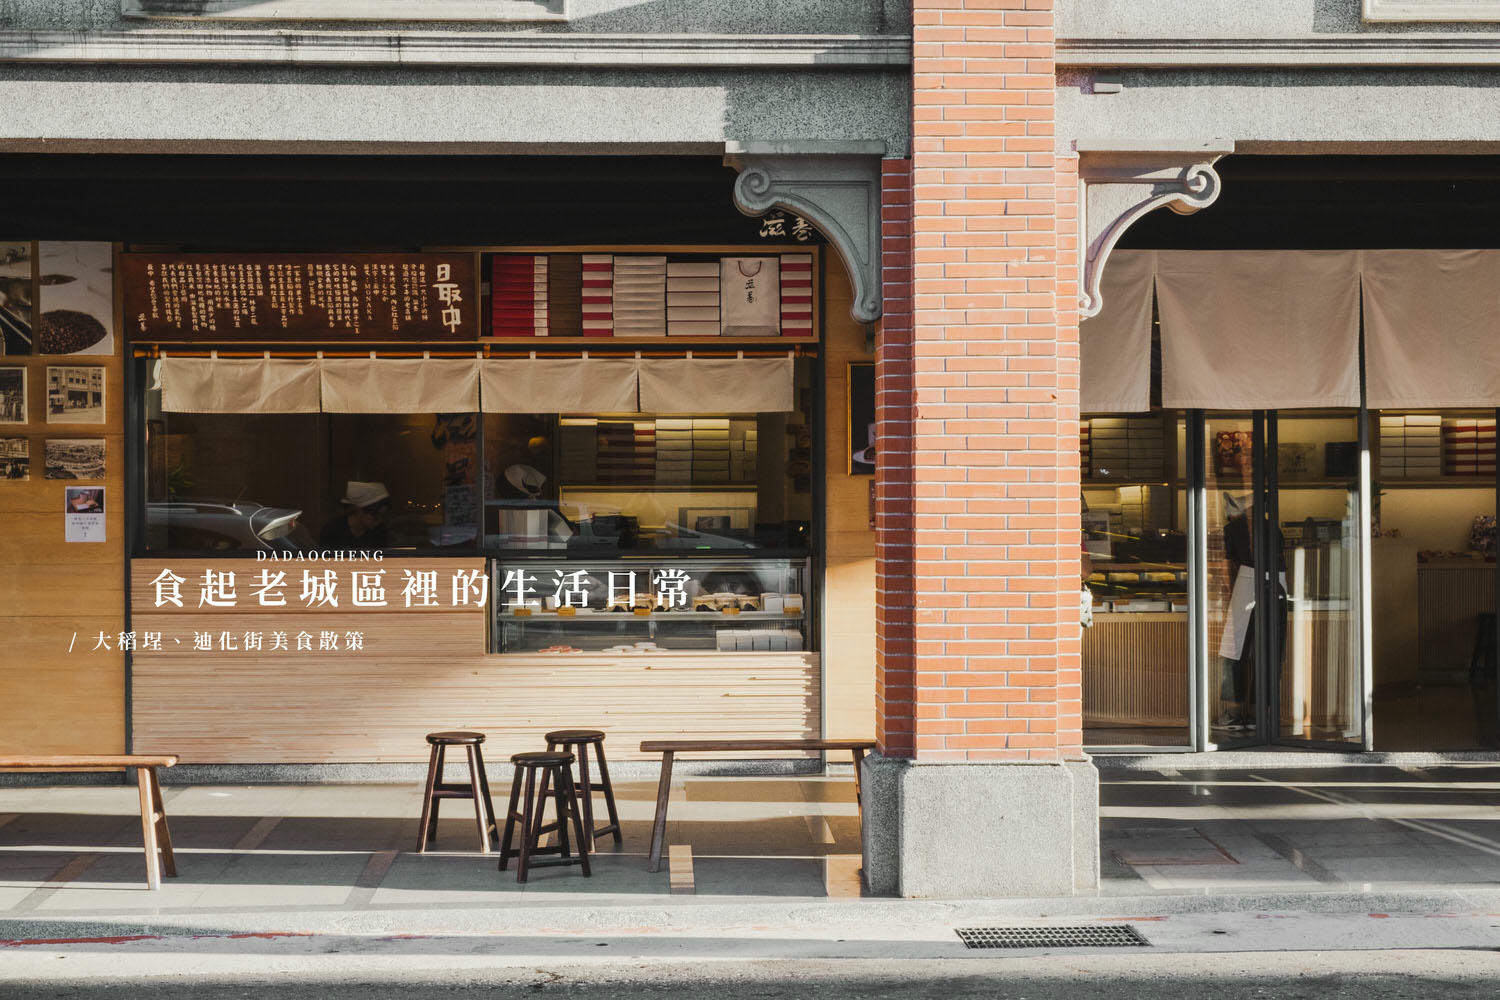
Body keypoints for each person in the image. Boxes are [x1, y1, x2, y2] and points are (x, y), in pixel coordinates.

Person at [320, 480, 391, 549]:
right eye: (375, 515)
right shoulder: (333, 529)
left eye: (383, 516)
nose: (380, 520)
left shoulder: (380, 532)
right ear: (358, 510)